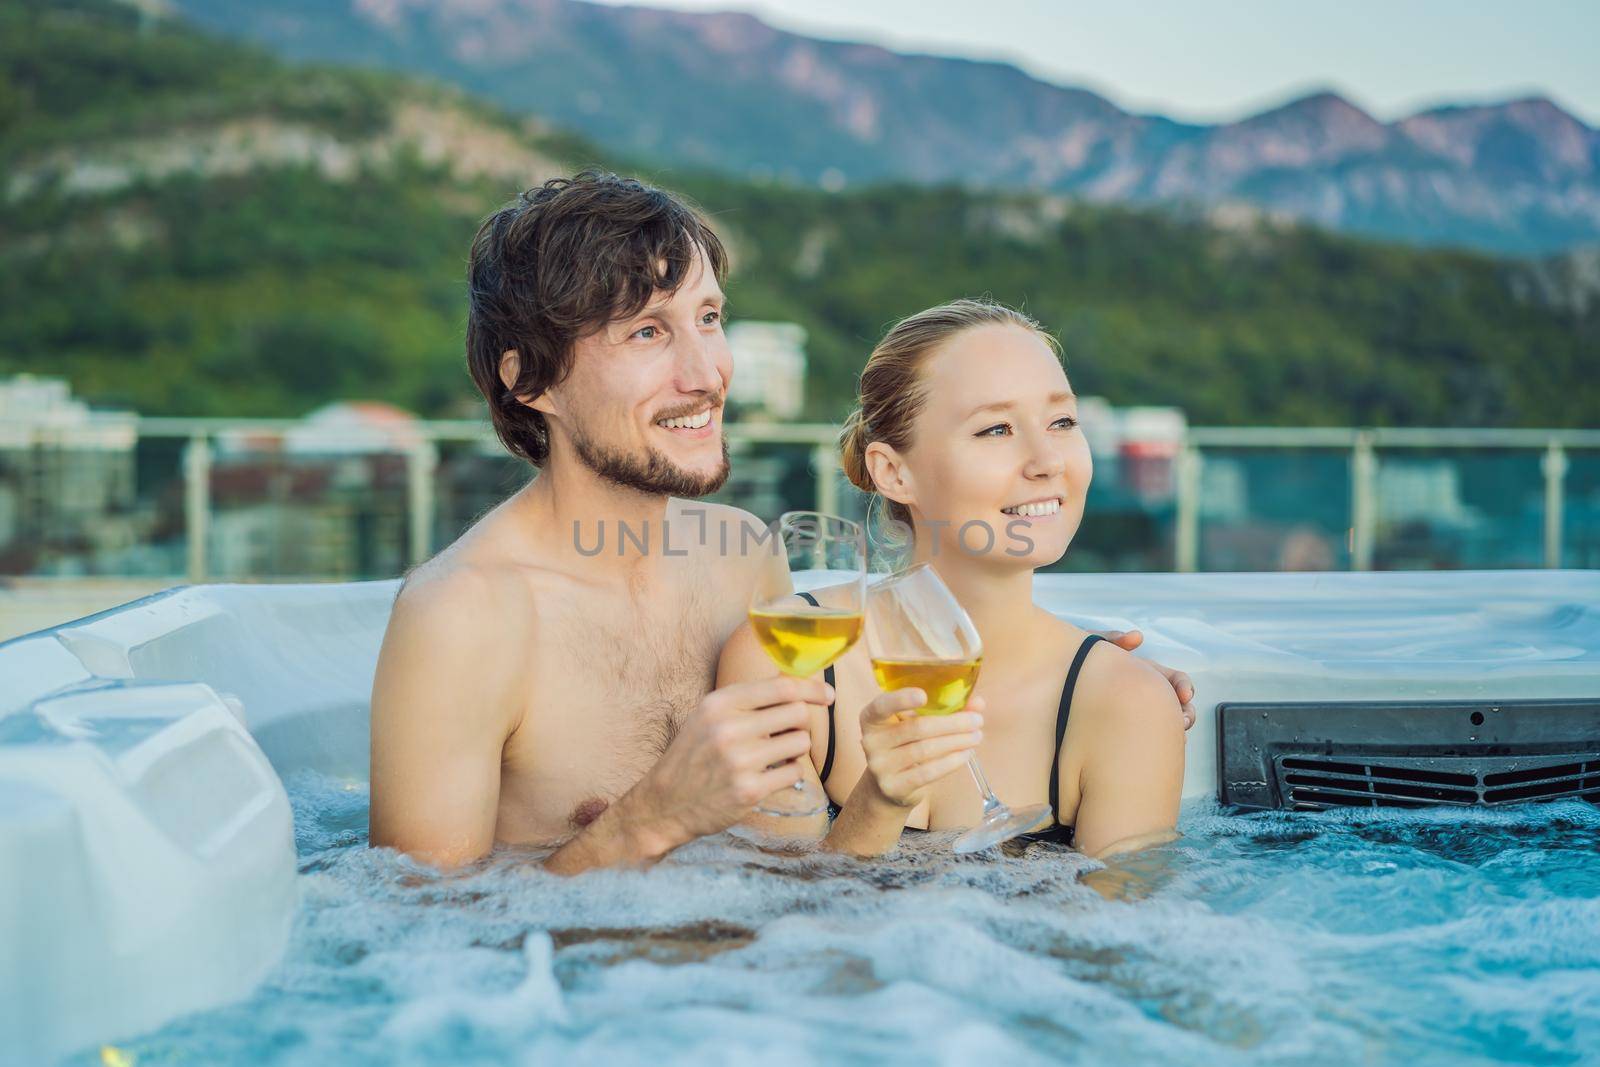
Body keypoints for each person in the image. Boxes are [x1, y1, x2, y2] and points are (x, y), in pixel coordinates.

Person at [368, 171, 1196, 874]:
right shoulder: (461, 614)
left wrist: (1065, 664)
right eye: (649, 331)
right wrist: (649, 819)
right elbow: (415, 940)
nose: (706, 374)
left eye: (710, 318)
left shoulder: (737, 555)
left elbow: (803, 866)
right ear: (530, 381)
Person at [717, 300, 1188, 859]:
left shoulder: (1125, 703)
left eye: (1062, 422)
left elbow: (1118, 940)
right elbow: (768, 923)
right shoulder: (790, 658)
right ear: (894, 472)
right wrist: (878, 805)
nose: (1046, 461)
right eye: (996, 429)